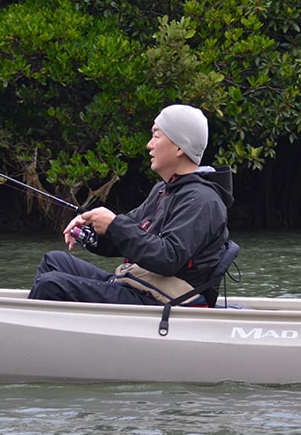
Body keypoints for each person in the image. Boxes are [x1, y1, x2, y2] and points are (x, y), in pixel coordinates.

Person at [28, 104, 234, 308]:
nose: (149, 145)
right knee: (54, 261)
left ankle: (31, 335)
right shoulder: (163, 190)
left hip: (163, 301)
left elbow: (168, 258)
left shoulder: (203, 200)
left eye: (156, 136)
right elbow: (124, 239)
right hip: (140, 287)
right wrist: (87, 231)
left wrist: (114, 224)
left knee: (51, 284)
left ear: (180, 146)